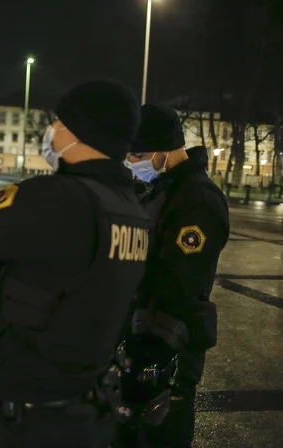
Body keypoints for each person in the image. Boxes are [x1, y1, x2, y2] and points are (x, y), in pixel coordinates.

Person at [0, 80, 150, 447]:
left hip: (35, 421)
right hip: (89, 408)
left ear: (79, 131)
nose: (53, 130)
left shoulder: (58, 197)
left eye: (59, 121)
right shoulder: (130, 209)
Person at [115, 104, 230, 448]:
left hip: (168, 348)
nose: (131, 160)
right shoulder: (159, 189)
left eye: (137, 153)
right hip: (138, 338)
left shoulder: (197, 200)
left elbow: (178, 283)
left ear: (166, 148)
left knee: (160, 436)